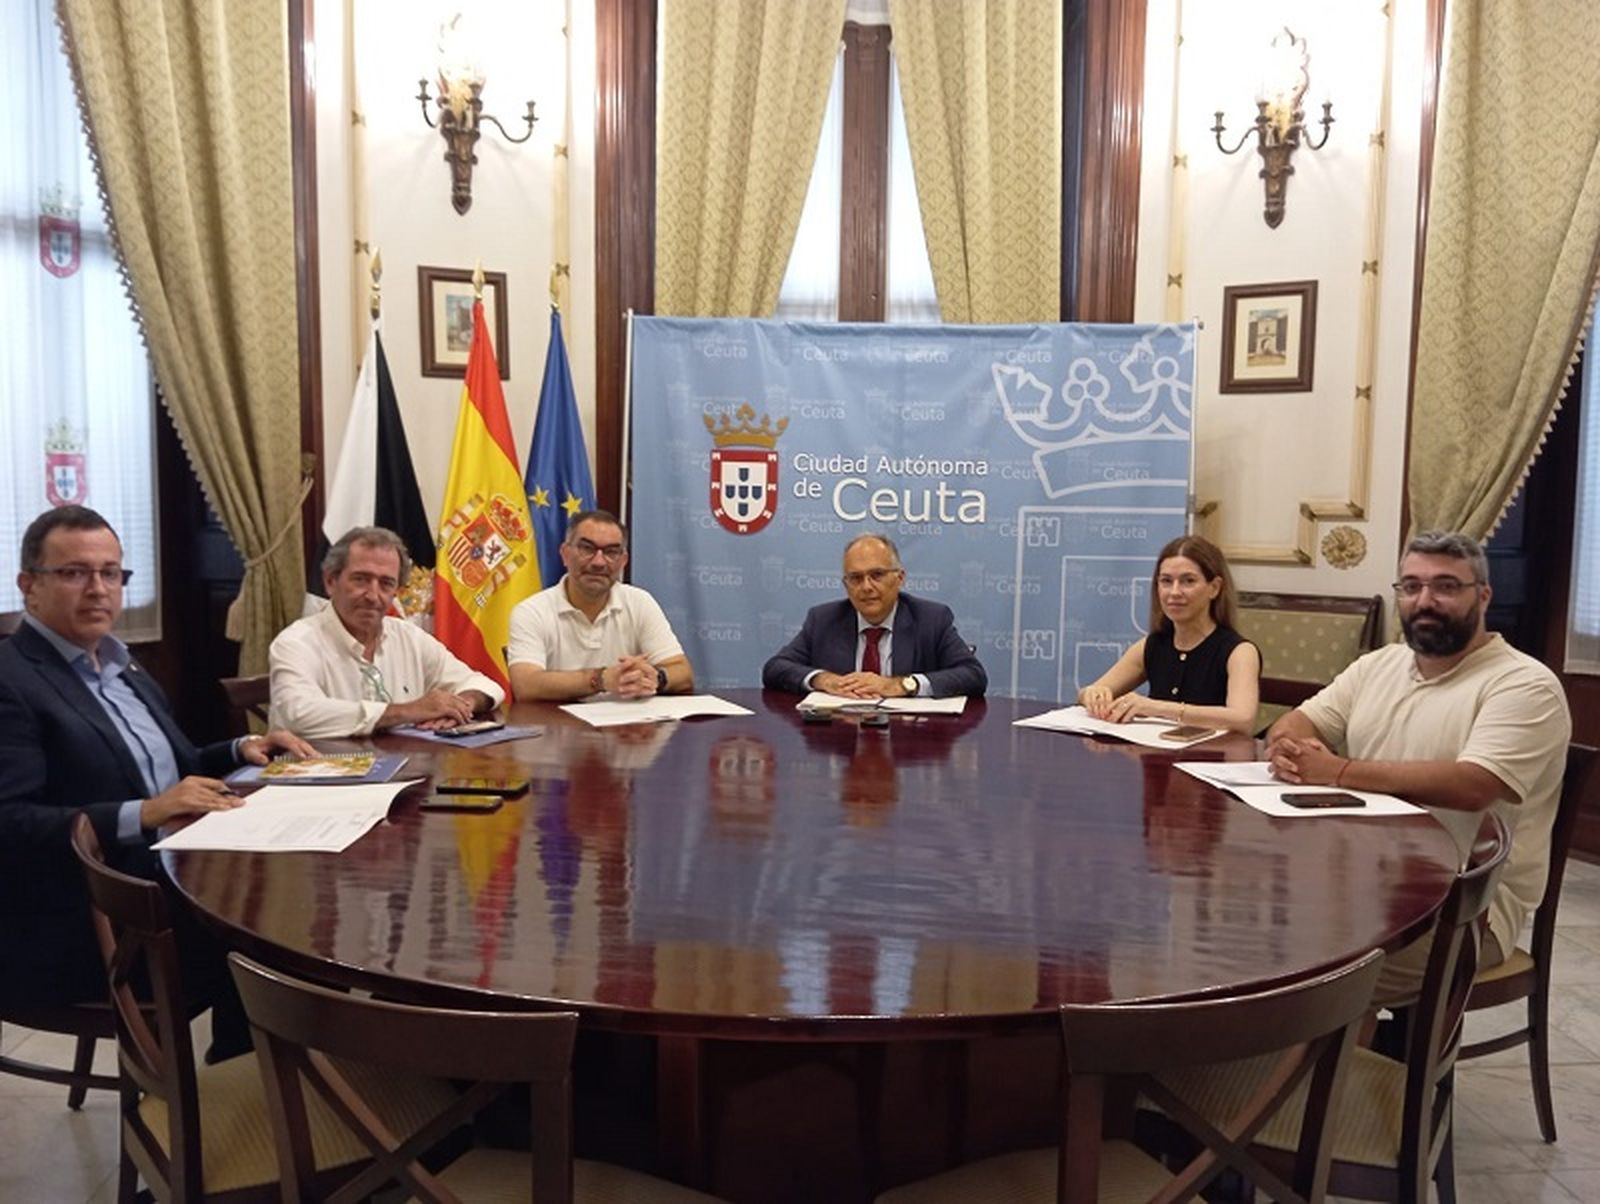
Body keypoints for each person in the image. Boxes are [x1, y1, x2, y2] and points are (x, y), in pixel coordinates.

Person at [0, 505, 312, 1040]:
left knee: (298, 890)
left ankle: (286, 1072)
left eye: (111, 572)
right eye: (74, 573)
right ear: (28, 585)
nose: (98, 589)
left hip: (171, 876)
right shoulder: (12, 680)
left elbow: (179, 768)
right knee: (270, 927)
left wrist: (243, 747)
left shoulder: (123, 665)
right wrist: (143, 813)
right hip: (85, 916)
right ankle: (248, 1090)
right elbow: (11, 824)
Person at [1268, 530, 1570, 997]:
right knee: (1257, 923)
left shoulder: (1525, 685)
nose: (1424, 600)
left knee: (1308, 968)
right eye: (1411, 586)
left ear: (1483, 596)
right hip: (1362, 877)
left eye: (1446, 586)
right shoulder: (1379, 665)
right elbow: (1295, 723)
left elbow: (1474, 785)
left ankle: (1329, 1066)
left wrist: (1338, 772)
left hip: (1465, 911)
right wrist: (1288, 748)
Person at [269, 526, 504, 738]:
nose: (373, 596)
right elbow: (299, 714)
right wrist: (408, 711)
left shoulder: (409, 637)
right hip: (318, 777)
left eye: (386, 584)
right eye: (361, 580)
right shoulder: (296, 642)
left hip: (403, 774)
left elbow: (485, 684)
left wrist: (460, 704)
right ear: (331, 582)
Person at [762, 533, 987, 698]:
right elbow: (775, 668)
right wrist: (824, 680)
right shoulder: (823, 620)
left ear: (899, 578)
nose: (866, 587)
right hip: (841, 740)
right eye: (856, 578)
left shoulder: (932, 619)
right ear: (845, 585)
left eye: (877, 575)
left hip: (909, 743)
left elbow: (973, 675)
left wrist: (900, 685)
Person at [1077, 534, 1261, 734]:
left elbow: (1243, 718)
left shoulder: (1239, 652)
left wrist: (1157, 708)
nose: (1174, 592)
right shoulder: (1151, 645)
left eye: (1188, 581)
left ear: (1214, 588)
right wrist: (1092, 694)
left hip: (1210, 760)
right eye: (1166, 581)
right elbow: (1090, 692)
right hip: (1155, 758)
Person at [507, 509, 694, 701]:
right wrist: (600, 679)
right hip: (558, 727)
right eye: (587, 549)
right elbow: (526, 684)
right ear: (565, 554)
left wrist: (655, 678)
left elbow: (682, 672)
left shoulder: (640, 602)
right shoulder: (531, 611)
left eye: (611, 552)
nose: (598, 562)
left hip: (627, 727)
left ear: (623, 562)